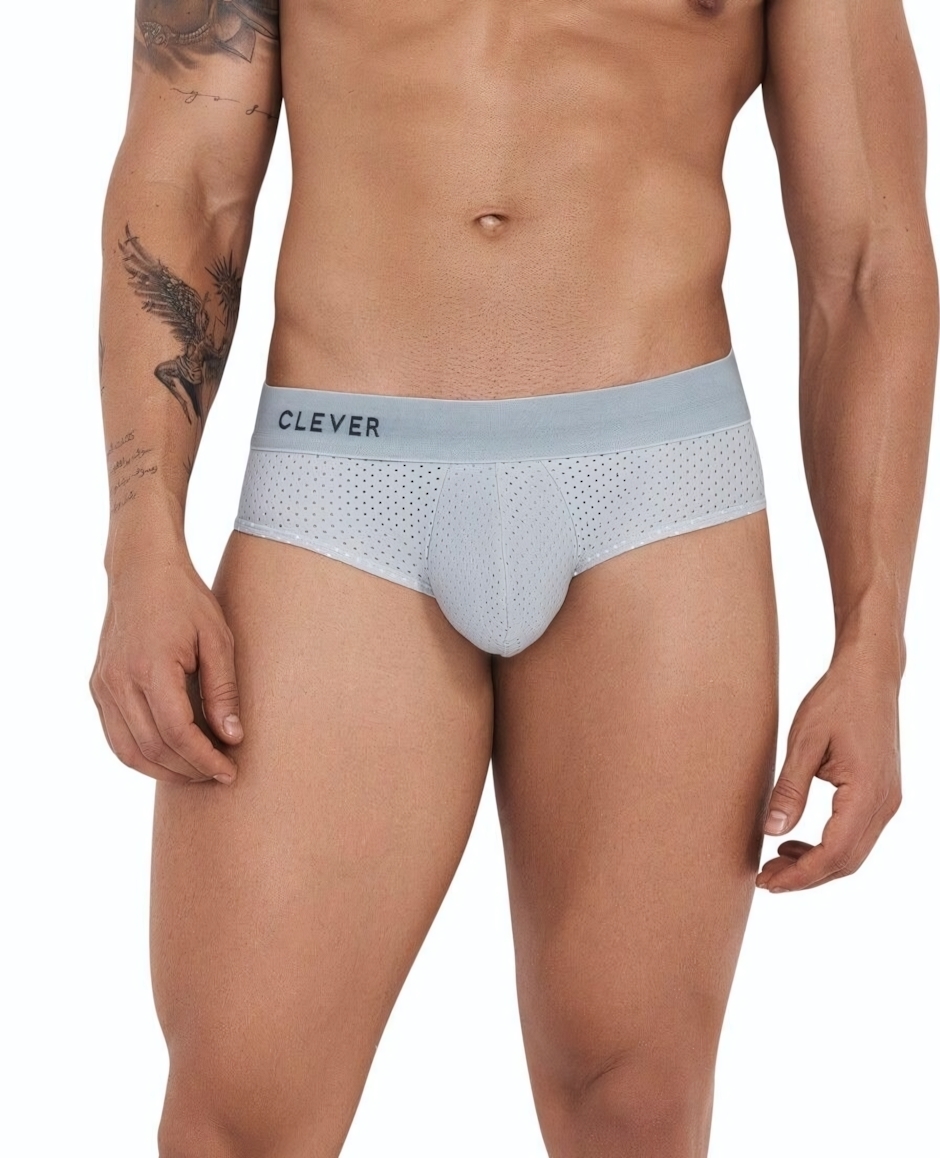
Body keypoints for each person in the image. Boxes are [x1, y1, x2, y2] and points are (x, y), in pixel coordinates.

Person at [90, 1, 937, 1155]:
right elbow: (188, 183)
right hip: (341, 490)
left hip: (656, 495)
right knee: (235, 1116)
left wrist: (873, 644)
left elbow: (866, 259)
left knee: (633, 1109)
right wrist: (141, 540)